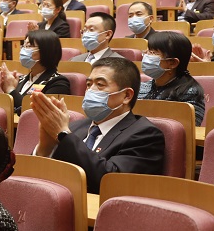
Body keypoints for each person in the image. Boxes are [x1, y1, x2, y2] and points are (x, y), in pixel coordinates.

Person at [33, 56, 165, 194]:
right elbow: (37, 177)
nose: (90, 91)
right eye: (89, 85)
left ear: (126, 95)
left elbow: (110, 181)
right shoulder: (76, 126)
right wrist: (45, 147)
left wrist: (63, 134)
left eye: (100, 85)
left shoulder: (145, 135)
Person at [139, 32, 206, 126]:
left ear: (173, 63)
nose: (147, 57)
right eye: (148, 51)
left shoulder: (190, 93)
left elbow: (187, 131)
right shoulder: (141, 87)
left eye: (153, 53)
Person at [2, 30, 70, 114]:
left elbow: (33, 112)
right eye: (23, 46)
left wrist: (11, 90)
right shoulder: (21, 79)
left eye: (29, 46)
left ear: (46, 51)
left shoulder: (58, 83)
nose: (23, 50)